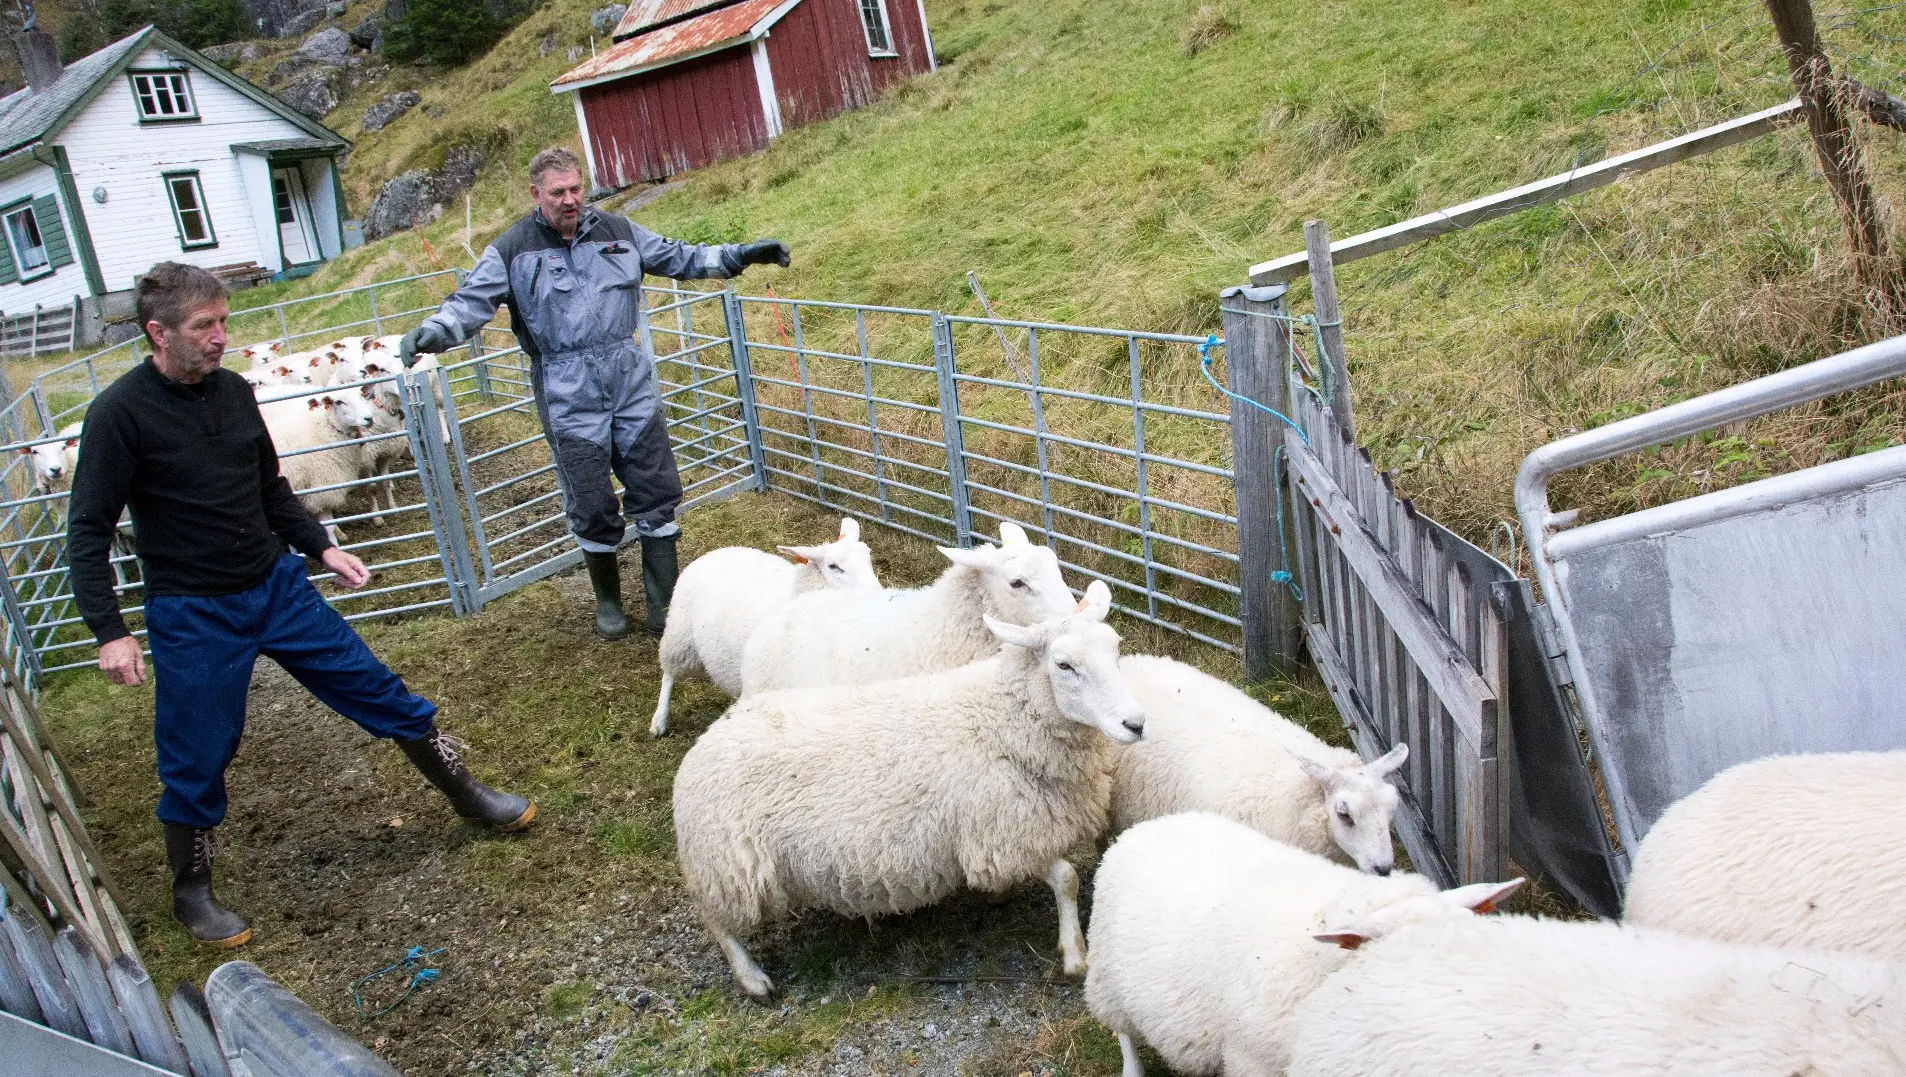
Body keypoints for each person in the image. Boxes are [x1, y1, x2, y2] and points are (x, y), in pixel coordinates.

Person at [67, 262, 536, 950]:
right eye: (205, 326)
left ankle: (468, 792)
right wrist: (110, 630)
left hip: (275, 585)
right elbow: (88, 527)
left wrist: (320, 546)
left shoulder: (232, 392)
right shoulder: (119, 414)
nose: (221, 337)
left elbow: (269, 486)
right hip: (192, 610)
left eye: (224, 321)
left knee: (373, 685)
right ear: (157, 333)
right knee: (197, 746)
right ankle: (191, 887)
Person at [400, 147, 790, 640]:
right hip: (566, 389)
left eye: (576, 189)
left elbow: (680, 255)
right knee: (591, 498)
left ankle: (662, 607)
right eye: (558, 192)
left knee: (655, 487)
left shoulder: (619, 232)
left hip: (628, 379)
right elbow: (469, 303)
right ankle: (608, 601)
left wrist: (740, 255)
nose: (570, 200)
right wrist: (432, 333)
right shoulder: (512, 250)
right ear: (535, 193)